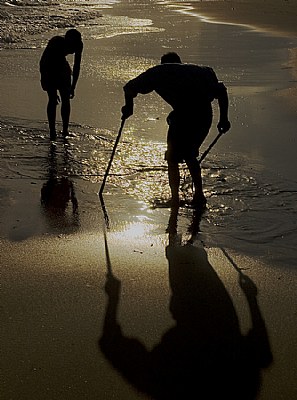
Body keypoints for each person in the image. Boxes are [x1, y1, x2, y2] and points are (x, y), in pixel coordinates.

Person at [121, 52, 231, 208]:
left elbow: (129, 88)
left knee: (176, 156)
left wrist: (129, 108)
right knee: (189, 154)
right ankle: (197, 194)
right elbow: (221, 91)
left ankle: (178, 198)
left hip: (195, 113)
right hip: (201, 113)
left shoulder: (157, 72)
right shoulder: (202, 71)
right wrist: (224, 118)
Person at [40, 28, 83, 140]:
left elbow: (77, 66)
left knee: (66, 98)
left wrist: (73, 87)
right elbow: (46, 64)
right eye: (72, 43)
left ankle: (65, 130)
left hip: (62, 64)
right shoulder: (56, 42)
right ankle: (52, 131)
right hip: (48, 65)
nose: (74, 46)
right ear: (67, 40)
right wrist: (49, 84)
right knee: (52, 99)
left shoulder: (79, 44)